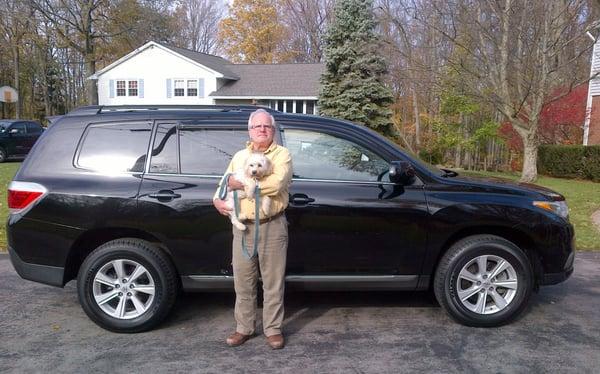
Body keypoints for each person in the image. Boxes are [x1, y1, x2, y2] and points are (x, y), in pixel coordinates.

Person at [213, 108, 292, 349]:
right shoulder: (239, 156)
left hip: (272, 225)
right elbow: (225, 182)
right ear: (250, 130)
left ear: (273, 130)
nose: (261, 130)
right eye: (257, 126)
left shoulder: (282, 154)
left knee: (273, 282)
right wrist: (217, 198)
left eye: (266, 126)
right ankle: (244, 328)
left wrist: (245, 185)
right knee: (243, 282)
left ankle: (273, 329)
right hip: (243, 228)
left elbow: (277, 183)